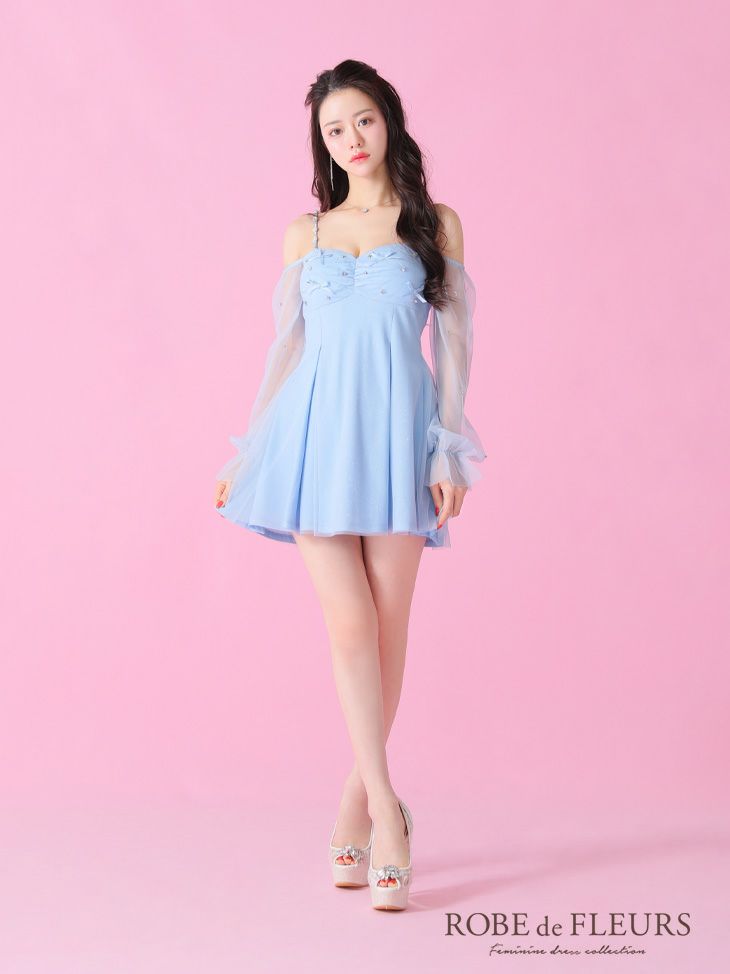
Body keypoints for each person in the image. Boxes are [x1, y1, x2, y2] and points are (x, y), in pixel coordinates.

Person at [213, 59, 487, 911]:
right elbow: (286, 350)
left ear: (389, 120)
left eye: (362, 120)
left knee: (388, 626)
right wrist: (247, 452)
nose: (352, 139)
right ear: (322, 142)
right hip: (312, 436)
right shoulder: (307, 233)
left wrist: (448, 452)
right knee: (349, 623)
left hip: (401, 434)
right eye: (335, 129)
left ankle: (355, 803)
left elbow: (455, 349)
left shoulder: (435, 223)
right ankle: (390, 815)